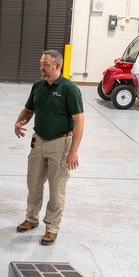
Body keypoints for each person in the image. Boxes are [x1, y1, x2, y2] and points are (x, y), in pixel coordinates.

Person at [13, 50, 84, 245]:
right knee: (33, 184)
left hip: (61, 144)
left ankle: (51, 228)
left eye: (45, 64)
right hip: (39, 142)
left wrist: (74, 151)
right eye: (40, 63)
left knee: (56, 189)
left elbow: (79, 120)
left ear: (57, 66)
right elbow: (29, 109)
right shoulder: (38, 86)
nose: (41, 67)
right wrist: (20, 121)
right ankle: (31, 219)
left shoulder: (69, 89)